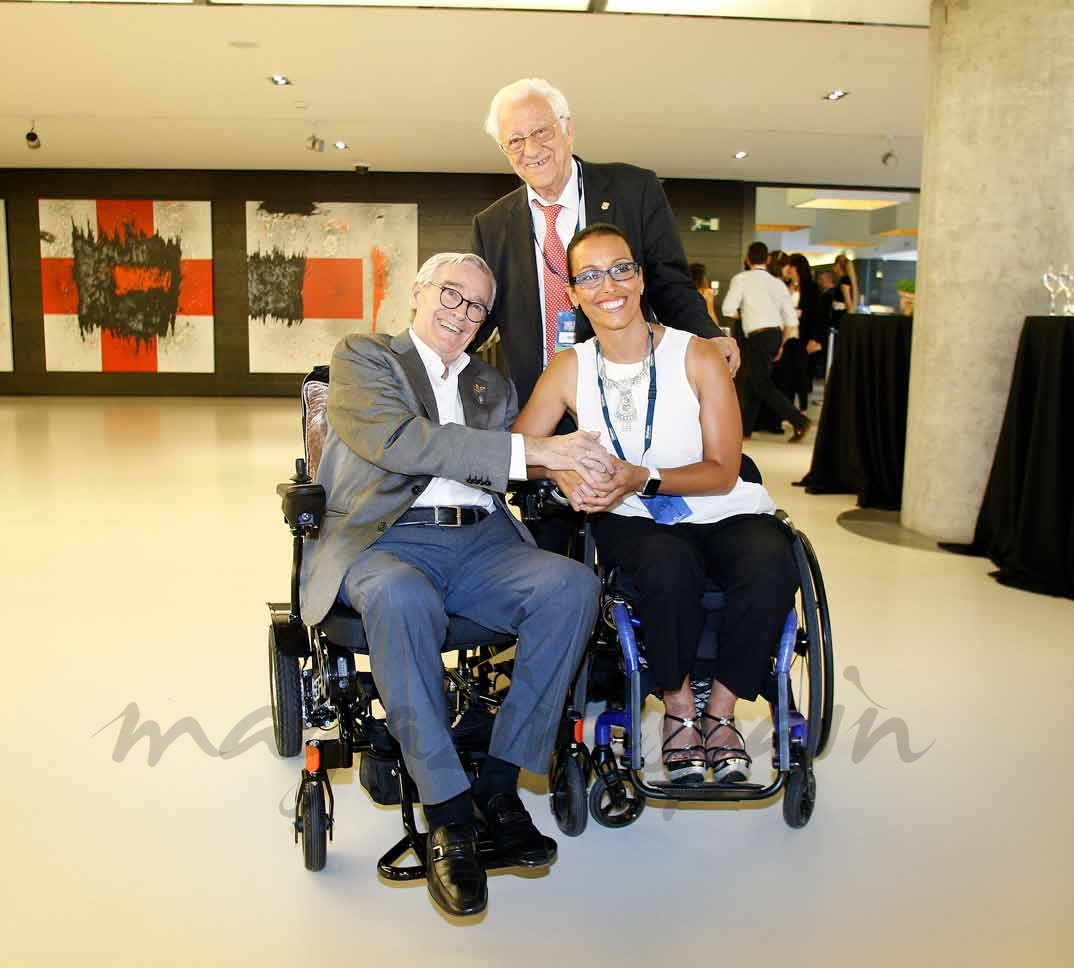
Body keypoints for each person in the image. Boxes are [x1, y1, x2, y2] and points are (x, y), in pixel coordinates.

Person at [300, 252, 604, 917]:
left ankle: (498, 784)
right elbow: (408, 443)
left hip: (480, 541)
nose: (460, 314)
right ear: (416, 292)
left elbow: (508, 470)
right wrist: (536, 453)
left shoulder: (492, 386)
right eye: (450, 294)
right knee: (400, 596)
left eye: (476, 307)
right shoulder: (363, 358)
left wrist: (576, 473)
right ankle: (447, 812)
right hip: (385, 539)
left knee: (572, 587)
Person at [513, 223, 799, 784]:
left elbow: (723, 470)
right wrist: (560, 469)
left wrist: (641, 477)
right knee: (666, 566)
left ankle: (720, 712)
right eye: (589, 276)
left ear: (641, 278)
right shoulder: (569, 368)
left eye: (621, 269)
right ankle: (678, 709)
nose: (608, 286)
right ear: (572, 293)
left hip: (715, 504)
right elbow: (522, 450)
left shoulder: (696, 356)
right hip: (629, 518)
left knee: (772, 557)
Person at [469, 77, 740, 420]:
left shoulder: (634, 191)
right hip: (536, 404)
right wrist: (421, 353)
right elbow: (476, 315)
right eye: (516, 140)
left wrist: (708, 336)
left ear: (567, 128)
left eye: (541, 132)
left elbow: (669, 285)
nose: (532, 149)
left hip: (630, 396)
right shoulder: (491, 224)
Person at [722, 242, 812, 442]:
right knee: (751, 381)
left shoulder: (742, 279)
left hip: (756, 335)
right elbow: (790, 320)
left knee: (760, 383)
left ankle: (799, 420)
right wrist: (781, 344)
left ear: (747, 259)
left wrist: (744, 314)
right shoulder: (777, 283)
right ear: (767, 260)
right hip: (774, 335)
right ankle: (744, 431)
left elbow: (728, 309)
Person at [689, 262, 720, 326]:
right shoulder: (707, 292)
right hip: (701, 325)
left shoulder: (684, 290)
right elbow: (711, 313)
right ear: (703, 277)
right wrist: (717, 328)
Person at [832, 252, 858, 328]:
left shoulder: (844, 281)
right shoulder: (847, 280)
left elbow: (849, 306)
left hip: (841, 319)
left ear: (837, 265)